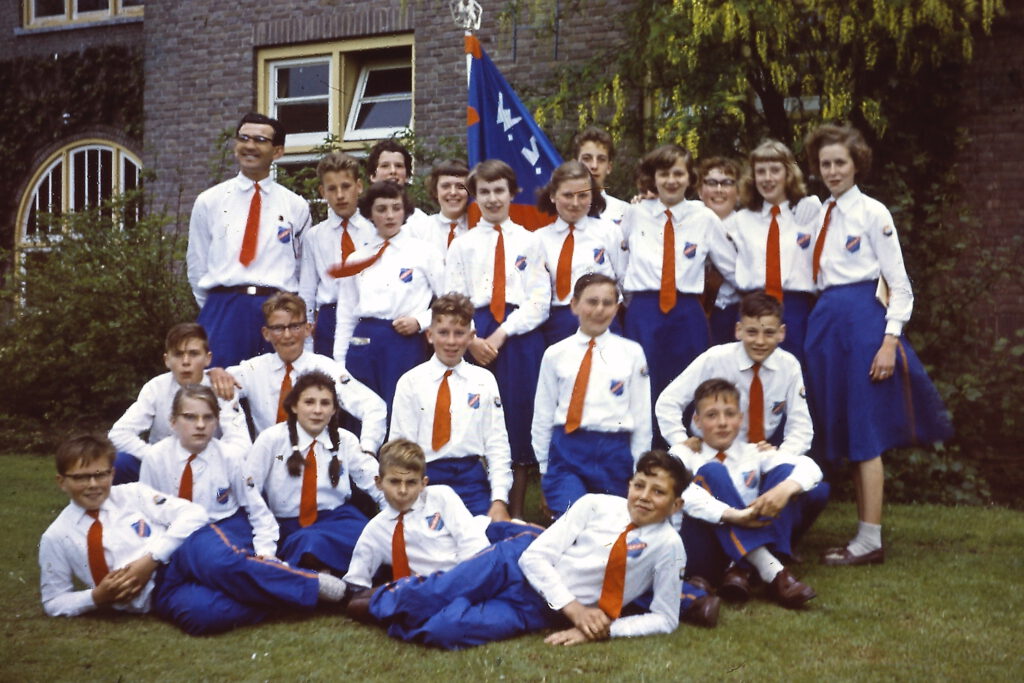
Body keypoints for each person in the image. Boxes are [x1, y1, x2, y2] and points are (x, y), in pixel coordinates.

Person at [803, 124, 952, 566]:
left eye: (840, 163)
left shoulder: (873, 212)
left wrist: (890, 343)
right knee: (841, 428)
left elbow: (900, 286)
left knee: (865, 431)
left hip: (863, 324)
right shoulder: (815, 213)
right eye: (825, 164)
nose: (832, 171)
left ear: (856, 165)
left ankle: (870, 539)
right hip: (825, 323)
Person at [366, 450, 687, 649]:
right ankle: (374, 600)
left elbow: (664, 618)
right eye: (639, 485)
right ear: (629, 484)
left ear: (676, 505)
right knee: (436, 594)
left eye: (658, 492)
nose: (644, 496)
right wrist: (575, 609)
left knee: (445, 630)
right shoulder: (595, 505)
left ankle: (404, 607)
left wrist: (600, 630)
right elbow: (534, 556)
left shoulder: (669, 547)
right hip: (513, 563)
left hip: (537, 607)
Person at [39, 434, 343, 636]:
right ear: (61, 481)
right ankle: (292, 585)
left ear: (111, 474)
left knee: (226, 566)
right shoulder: (57, 537)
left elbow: (192, 514)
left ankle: (328, 588)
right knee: (202, 618)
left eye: (100, 474)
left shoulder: (131, 494)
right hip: (159, 595)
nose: (93, 484)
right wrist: (96, 597)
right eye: (81, 477)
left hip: (184, 550)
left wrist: (151, 558)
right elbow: (54, 601)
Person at [445, 159, 551, 518]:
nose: (492, 199)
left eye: (499, 191)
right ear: (475, 196)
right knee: (477, 416)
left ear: (512, 193)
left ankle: (516, 512)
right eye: (484, 192)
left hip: (517, 336)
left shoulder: (530, 241)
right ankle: (480, 505)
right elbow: (453, 297)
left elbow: (539, 300)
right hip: (474, 333)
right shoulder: (463, 245)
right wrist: (471, 339)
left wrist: (502, 333)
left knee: (516, 421)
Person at [619, 144, 734, 445]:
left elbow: (732, 268)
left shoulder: (704, 218)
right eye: (664, 173)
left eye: (678, 173)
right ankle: (644, 459)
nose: (671, 180)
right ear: (653, 178)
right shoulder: (634, 213)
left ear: (689, 177)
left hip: (686, 313)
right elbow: (619, 261)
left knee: (689, 383)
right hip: (644, 312)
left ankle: (686, 458)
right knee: (643, 383)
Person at [675, 379, 821, 608]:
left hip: (736, 546)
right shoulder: (685, 453)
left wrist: (784, 489)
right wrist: (730, 514)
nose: (722, 423)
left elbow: (811, 468)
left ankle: (740, 571)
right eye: (712, 415)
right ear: (697, 421)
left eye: (730, 414)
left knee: (785, 473)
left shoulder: (753, 452)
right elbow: (676, 491)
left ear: (740, 418)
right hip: (701, 551)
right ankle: (772, 572)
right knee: (713, 472)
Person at [186, 112, 311, 367]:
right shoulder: (210, 201)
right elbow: (197, 265)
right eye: (244, 138)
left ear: (277, 151)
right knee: (219, 390)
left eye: (260, 140)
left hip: (277, 312)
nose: (250, 146)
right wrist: (218, 305)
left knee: (276, 389)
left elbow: (302, 269)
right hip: (224, 310)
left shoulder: (295, 205)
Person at [209, 292, 386, 455]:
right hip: (268, 465)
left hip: (315, 465)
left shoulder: (326, 368)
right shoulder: (253, 369)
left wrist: (367, 450)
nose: (287, 335)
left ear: (307, 329)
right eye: (278, 328)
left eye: (294, 326)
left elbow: (373, 406)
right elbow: (208, 382)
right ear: (266, 333)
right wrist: (215, 372)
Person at [533, 273, 651, 517]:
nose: (599, 309)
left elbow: (641, 419)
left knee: (610, 526)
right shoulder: (556, 354)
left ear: (617, 307)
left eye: (608, 303)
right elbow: (543, 415)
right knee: (572, 521)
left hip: (614, 452)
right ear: (574, 305)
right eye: (592, 302)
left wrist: (639, 470)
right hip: (568, 451)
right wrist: (545, 469)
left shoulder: (631, 353)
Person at [246, 370, 384, 574]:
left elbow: (376, 482)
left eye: (325, 403)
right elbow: (250, 489)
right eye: (309, 402)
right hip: (290, 523)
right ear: (294, 406)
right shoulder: (272, 439)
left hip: (337, 519)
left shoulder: (345, 440)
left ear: (334, 409)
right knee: (309, 543)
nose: (317, 410)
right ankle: (330, 576)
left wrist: (394, 516)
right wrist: (264, 541)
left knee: (372, 538)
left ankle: (321, 573)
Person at [389, 294, 513, 520]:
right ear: (429, 335)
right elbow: (400, 446)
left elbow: (497, 444)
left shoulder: (484, 380)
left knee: (486, 539)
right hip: (425, 479)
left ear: (471, 336)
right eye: (443, 333)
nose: (451, 342)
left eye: (459, 333)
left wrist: (499, 500)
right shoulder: (410, 382)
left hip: (470, 480)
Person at [655, 291, 814, 459]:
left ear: (781, 333)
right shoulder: (715, 358)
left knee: (808, 471)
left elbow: (801, 426)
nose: (760, 341)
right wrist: (681, 442)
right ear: (739, 330)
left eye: (769, 333)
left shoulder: (788, 365)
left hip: (758, 454)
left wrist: (780, 457)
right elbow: (668, 402)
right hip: (710, 452)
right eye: (752, 332)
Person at [332, 181, 444, 418]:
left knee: (402, 410)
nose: (390, 215)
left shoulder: (424, 253)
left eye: (396, 207)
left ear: (405, 211)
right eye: (381, 209)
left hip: (404, 341)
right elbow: (346, 314)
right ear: (370, 214)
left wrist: (421, 321)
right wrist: (340, 362)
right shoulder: (357, 258)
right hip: (364, 342)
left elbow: (450, 302)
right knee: (365, 411)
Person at [139, 385, 276, 559]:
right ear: (173, 421)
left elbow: (258, 511)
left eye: (208, 417)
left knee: (221, 562)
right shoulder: (155, 458)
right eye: (190, 417)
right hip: (174, 532)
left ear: (217, 421)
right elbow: (146, 511)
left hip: (223, 527)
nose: (200, 425)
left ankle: (269, 570)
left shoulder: (230, 457)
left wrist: (265, 551)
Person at [716, 140, 821, 364]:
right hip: (753, 309)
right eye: (760, 171)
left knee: (797, 376)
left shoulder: (808, 215)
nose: (767, 178)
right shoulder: (740, 221)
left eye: (775, 170)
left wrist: (817, 205)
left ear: (788, 174)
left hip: (796, 310)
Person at [342, 438, 491, 594]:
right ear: (378, 482)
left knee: (510, 541)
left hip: (476, 562)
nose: (403, 490)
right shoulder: (375, 531)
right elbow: (356, 582)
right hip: (433, 589)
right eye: (394, 482)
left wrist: (467, 582)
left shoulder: (441, 496)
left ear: (423, 483)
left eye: (411, 482)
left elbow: (474, 546)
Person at [109, 323, 220, 484]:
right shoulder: (156, 387)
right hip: (162, 468)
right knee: (119, 463)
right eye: (178, 354)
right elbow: (118, 433)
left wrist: (216, 461)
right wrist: (155, 456)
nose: (186, 361)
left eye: (194, 354)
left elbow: (239, 442)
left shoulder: (221, 387)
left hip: (207, 467)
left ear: (207, 358)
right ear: (167, 360)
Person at [535, 161, 625, 345]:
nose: (575, 203)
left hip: (603, 321)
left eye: (583, 195)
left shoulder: (608, 232)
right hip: (557, 326)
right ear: (553, 195)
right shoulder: (538, 239)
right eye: (567, 195)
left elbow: (624, 280)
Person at [298, 151, 374, 356]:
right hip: (328, 318)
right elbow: (307, 289)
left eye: (346, 187)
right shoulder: (314, 236)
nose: (340, 195)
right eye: (332, 189)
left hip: (364, 312)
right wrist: (307, 333)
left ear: (359, 186)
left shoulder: (374, 231)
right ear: (322, 191)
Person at [696, 157, 744, 345]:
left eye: (727, 183)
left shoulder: (749, 226)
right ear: (700, 191)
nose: (719, 190)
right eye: (711, 183)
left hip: (736, 310)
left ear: (738, 192)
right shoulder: (687, 222)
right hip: (698, 310)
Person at [406, 159, 471, 257]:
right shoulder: (421, 230)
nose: (453, 192)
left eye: (460, 186)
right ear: (436, 191)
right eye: (446, 186)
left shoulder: (477, 227)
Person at [365, 139, 431, 229]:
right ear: (372, 176)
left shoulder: (420, 221)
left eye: (398, 166)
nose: (393, 171)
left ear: (407, 176)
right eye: (385, 166)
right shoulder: (361, 221)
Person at [574, 126, 630, 225]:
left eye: (601, 159)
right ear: (575, 164)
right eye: (587, 158)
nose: (594, 166)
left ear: (609, 167)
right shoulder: (563, 211)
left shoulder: (625, 212)